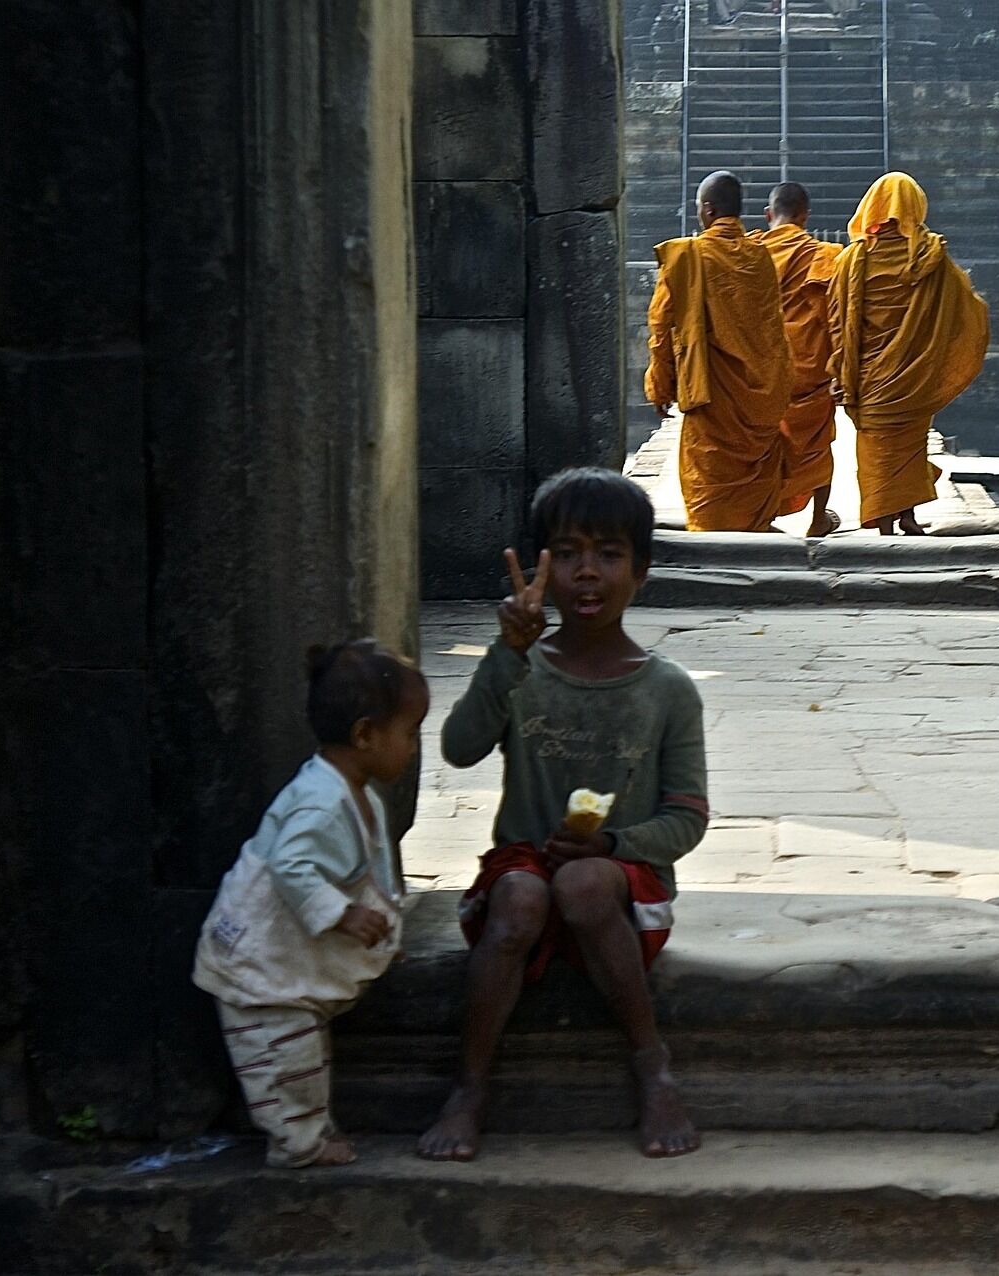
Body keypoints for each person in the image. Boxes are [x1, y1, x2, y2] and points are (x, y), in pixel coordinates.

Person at [417, 468, 709, 1162]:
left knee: (581, 883)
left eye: (609, 554)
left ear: (641, 571)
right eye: (568, 553)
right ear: (540, 568)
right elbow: (459, 750)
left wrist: (613, 843)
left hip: (624, 891)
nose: (587, 573)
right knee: (521, 894)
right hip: (523, 874)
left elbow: (688, 817)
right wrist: (505, 655)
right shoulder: (524, 668)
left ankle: (653, 1067)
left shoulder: (666, 689)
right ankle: (469, 1089)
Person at [192, 640, 429, 1168]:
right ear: (365, 734)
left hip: (278, 963)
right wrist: (344, 915)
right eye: (409, 733)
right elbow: (291, 864)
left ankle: (309, 1127)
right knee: (286, 1061)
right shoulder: (321, 804)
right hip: (254, 964)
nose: (414, 747)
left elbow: (370, 874)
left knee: (305, 1053)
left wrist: (384, 933)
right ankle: (298, 1144)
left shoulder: (356, 792)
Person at [827, 171, 990, 535]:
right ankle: (907, 517)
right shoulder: (931, 256)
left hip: (870, 377)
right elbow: (965, 309)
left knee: (876, 453)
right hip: (914, 374)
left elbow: (838, 324)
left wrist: (839, 372)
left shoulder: (850, 261)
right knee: (910, 446)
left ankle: (886, 519)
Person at [646, 171, 794, 533]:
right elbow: (772, 329)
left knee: (709, 487)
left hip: (713, 400)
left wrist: (659, 384)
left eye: (699, 208)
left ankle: (714, 541)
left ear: (708, 210)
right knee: (753, 482)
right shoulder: (761, 258)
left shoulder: (687, 257)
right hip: (757, 397)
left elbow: (663, 327)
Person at [751, 181, 845, 538]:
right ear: (806, 216)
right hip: (810, 368)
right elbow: (835, 317)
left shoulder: (749, 253)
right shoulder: (825, 255)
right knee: (819, 445)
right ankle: (819, 518)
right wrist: (841, 367)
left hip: (760, 370)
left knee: (762, 446)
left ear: (768, 214)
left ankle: (762, 515)